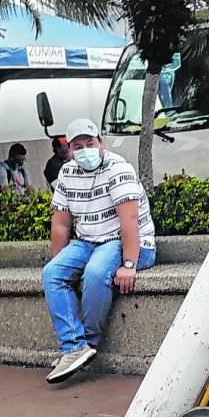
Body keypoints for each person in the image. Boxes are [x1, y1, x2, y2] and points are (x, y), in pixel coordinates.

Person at [41, 119, 156, 384]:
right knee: (52, 274)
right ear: (69, 150)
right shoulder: (67, 173)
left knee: (95, 272)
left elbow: (128, 221)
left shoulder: (119, 169)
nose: (85, 150)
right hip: (89, 241)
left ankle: (86, 343)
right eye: (77, 146)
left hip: (127, 242)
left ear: (100, 142)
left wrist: (129, 263)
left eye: (90, 143)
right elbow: (61, 223)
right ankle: (73, 347)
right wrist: (61, 262)